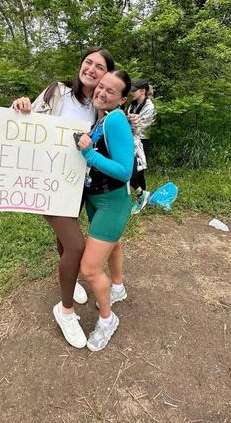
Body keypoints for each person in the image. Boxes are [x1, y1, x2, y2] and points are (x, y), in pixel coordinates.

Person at [12, 47, 115, 349]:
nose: (91, 69)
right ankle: (65, 311)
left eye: (99, 66)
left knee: (64, 240)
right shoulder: (58, 91)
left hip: (76, 184)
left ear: (106, 74)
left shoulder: (100, 105)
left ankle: (68, 278)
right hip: (47, 183)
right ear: (80, 65)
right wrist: (20, 105)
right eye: (88, 62)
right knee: (76, 245)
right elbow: (28, 119)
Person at [77, 70, 134, 351]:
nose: (102, 92)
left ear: (122, 99)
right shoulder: (98, 118)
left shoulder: (115, 120)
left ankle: (107, 319)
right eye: (101, 86)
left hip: (112, 202)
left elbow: (124, 171)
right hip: (95, 198)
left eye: (111, 91)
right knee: (113, 245)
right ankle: (118, 287)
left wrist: (89, 154)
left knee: (89, 269)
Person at [127, 79, 156, 214]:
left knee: (139, 173)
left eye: (134, 90)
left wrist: (130, 121)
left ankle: (142, 198)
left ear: (143, 91)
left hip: (142, 142)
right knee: (130, 170)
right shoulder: (132, 105)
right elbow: (130, 121)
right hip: (131, 140)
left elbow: (142, 126)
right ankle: (142, 196)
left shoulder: (149, 107)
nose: (132, 93)